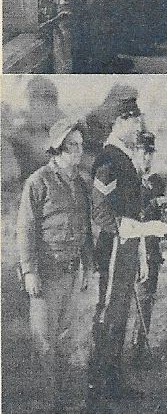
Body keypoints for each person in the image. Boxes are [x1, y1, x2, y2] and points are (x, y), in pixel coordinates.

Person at [89, 97, 167, 406]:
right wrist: (143, 230)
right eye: (134, 121)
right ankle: (97, 389)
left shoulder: (122, 156)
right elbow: (101, 212)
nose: (138, 127)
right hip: (114, 247)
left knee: (119, 316)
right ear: (120, 121)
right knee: (109, 314)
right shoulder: (109, 158)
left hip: (127, 247)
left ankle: (112, 381)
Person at [16, 119, 94, 414]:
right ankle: (45, 404)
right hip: (46, 273)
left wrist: (88, 266)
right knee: (44, 340)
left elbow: (85, 227)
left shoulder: (80, 184)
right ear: (58, 148)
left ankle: (67, 402)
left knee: (68, 341)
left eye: (80, 146)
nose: (78, 151)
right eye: (72, 145)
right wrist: (30, 271)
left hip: (72, 273)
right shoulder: (38, 181)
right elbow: (26, 229)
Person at [130, 131, 167, 364]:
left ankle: (138, 350)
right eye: (143, 153)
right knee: (125, 300)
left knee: (146, 299)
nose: (147, 158)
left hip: (152, 250)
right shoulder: (127, 181)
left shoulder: (157, 183)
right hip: (130, 248)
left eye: (150, 153)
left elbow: (161, 221)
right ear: (134, 152)